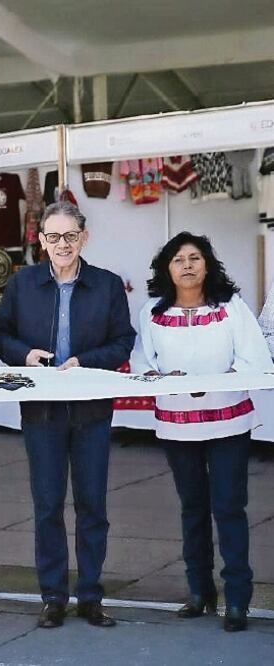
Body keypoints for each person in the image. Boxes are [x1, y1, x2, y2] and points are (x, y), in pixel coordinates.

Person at [0, 201, 134, 629]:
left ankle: (90, 595)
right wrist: (24, 355)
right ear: (41, 241)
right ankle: (53, 596)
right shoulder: (22, 285)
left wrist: (86, 362)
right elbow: (1, 335)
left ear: (84, 238)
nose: (62, 244)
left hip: (91, 411)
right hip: (41, 413)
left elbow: (123, 341)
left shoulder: (108, 285)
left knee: (93, 505)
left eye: (70, 235)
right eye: (53, 236)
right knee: (48, 506)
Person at [130, 232, 273, 632]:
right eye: (178, 259)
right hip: (177, 425)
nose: (188, 265)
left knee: (229, 507)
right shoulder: (153, 313)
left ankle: (237, 600)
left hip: (228, 422)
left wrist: (220, 379)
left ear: (208, 265)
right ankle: (199, 591)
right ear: (167, 269)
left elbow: (255, 358)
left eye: (195, 257)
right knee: (192, 508)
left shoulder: (231, 308)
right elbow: (141, 363)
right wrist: (162, 378)